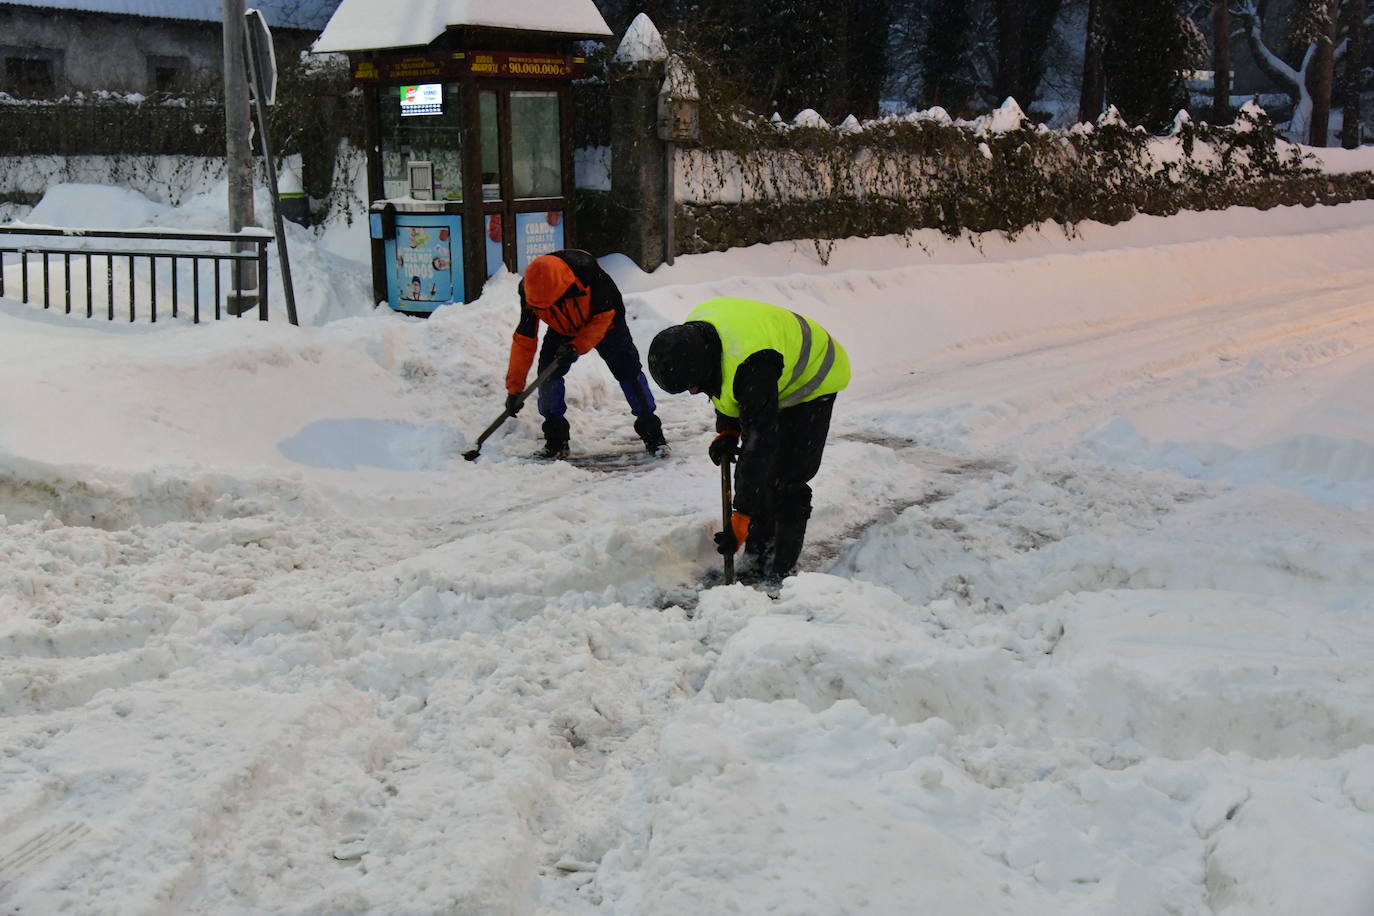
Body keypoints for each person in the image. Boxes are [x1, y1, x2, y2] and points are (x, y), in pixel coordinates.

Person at [647, 297, 850, 583]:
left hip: (813, 378)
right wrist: (728, 430)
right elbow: (726, 385)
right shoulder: (698, 340)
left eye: (692, 385)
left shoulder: (752, 364)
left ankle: (781, 569)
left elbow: (760, 443)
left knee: (788, 476)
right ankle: (757, 555)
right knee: (764, 476)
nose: (693, 392)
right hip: (768, 371)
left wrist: (741, 516)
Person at [504, 250, 668, 459]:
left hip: (606, 325)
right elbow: (524, 340)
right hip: (562, 327)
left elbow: (604, 317)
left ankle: (653, 436)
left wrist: (576, 346)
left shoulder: (589, 274)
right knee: (547, 376)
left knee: (629, 373)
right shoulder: (529, 291)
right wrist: (514, 389)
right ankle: (556, 441)